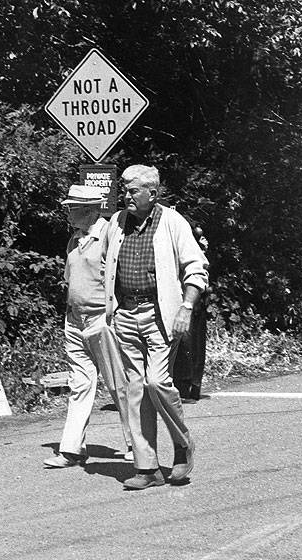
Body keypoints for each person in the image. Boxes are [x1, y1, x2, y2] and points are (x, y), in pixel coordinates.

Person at [103, 165, 208, 490]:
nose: (126, 196)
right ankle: (147, 468)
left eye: (133, 190)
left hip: (161, 314)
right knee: (135, 390)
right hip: (126, 314)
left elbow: (196, 267)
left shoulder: (173, 222)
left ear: (153, 193)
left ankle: (182, 443)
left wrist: (186, 308)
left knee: (157, 382)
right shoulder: (117, 223)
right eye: (124, 190)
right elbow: (108, 263)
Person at [44, 184, 132, 469]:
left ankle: (135, 445)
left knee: (118, 382)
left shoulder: (108, 234)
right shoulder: (75, 238)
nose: (68, 213)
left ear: (91, 210)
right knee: (79, 383)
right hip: (75, 318)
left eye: (73, 208)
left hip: (102, 319)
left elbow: (119, 276)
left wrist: (115, 313)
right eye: (69, 207)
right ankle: (71, 449)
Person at [173, 225, 209, 402]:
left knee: (194, 345)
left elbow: (203, 274)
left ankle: (193, 385)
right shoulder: (181, 249)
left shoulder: (197, 252)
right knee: (186, 344)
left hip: (196, 302)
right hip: (183, 299)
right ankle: (185, 386)